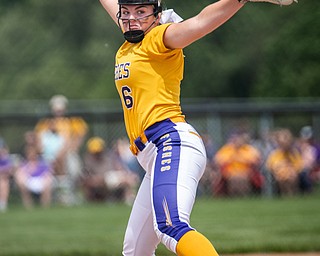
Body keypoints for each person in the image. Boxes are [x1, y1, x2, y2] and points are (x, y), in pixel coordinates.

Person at [98, 0, 297, 255]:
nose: (131, 18)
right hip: (153, 153)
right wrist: (127, 11)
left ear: (156, 16)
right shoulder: (132, 39)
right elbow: (117, 6)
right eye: (126, 12)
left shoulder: (160, 36)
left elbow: (201, 22)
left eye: (141, 12)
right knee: (135, 249)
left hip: (169, 142)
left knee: (171, 227)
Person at [35, 95, 88, 205]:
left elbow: (79, 136)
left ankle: (71, 194)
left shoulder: (72, 122)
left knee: (74, 170)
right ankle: (55, 196)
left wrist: (70, 149)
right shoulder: (46, 123)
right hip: (50, 155)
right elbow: (39, 139)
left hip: (67, 153)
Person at [81, 136, 138, 204]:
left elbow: (119, 168)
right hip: (98, 184)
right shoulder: (87, 161)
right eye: (95, 152)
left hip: (109, 180)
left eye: (98, 151)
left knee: (129, 178)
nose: (97, 154)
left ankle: (130, 198)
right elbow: (86, 180)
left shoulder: (109, 158)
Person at [213, 130, 262, 197]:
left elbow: (255, 159)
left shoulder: (248, 149)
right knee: (234, 178)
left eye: (239, 140)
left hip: (245, 172)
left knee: (241, 178)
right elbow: (218, 160)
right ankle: (233, 195)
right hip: (230, 172)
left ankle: (244, 195)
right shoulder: (227, 149)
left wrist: (240, 159)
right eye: (235, 140)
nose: (237, 142)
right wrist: (232, 158)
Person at [266, 128, 303, 196]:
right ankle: (285, 195)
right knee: (282, 177)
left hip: (292, 173)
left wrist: (292, 170)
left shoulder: (294, 153)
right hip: (279, 174)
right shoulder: (275, 154)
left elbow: (299, 166)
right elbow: (270, 166)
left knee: (291, 176)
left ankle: (292, 194)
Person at [0, 137, 14, 212]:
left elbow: (10, 170)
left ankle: (3, 204)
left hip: (3, 177)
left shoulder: (5, 158)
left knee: (3, 182)